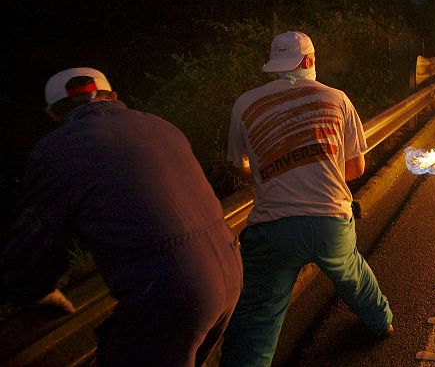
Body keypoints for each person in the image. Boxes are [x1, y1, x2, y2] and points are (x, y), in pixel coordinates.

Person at [1, 67, 243, 367]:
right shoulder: (160, 126)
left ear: (53, 114)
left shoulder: (58, 148)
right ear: (112, 97)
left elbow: (36, 233)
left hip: (168, 290)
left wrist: (32, 289)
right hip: (229, 273)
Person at [220, 31, 393, 366]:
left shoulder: (244, 103)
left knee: (259, 313)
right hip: (331, 222)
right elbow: (355, 167)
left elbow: (242, 165)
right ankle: (382, 323)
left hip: (274, 227)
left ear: (274, 64)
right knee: (353, 272)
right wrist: (319, 171)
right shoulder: (337, 99)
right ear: (309, 61)